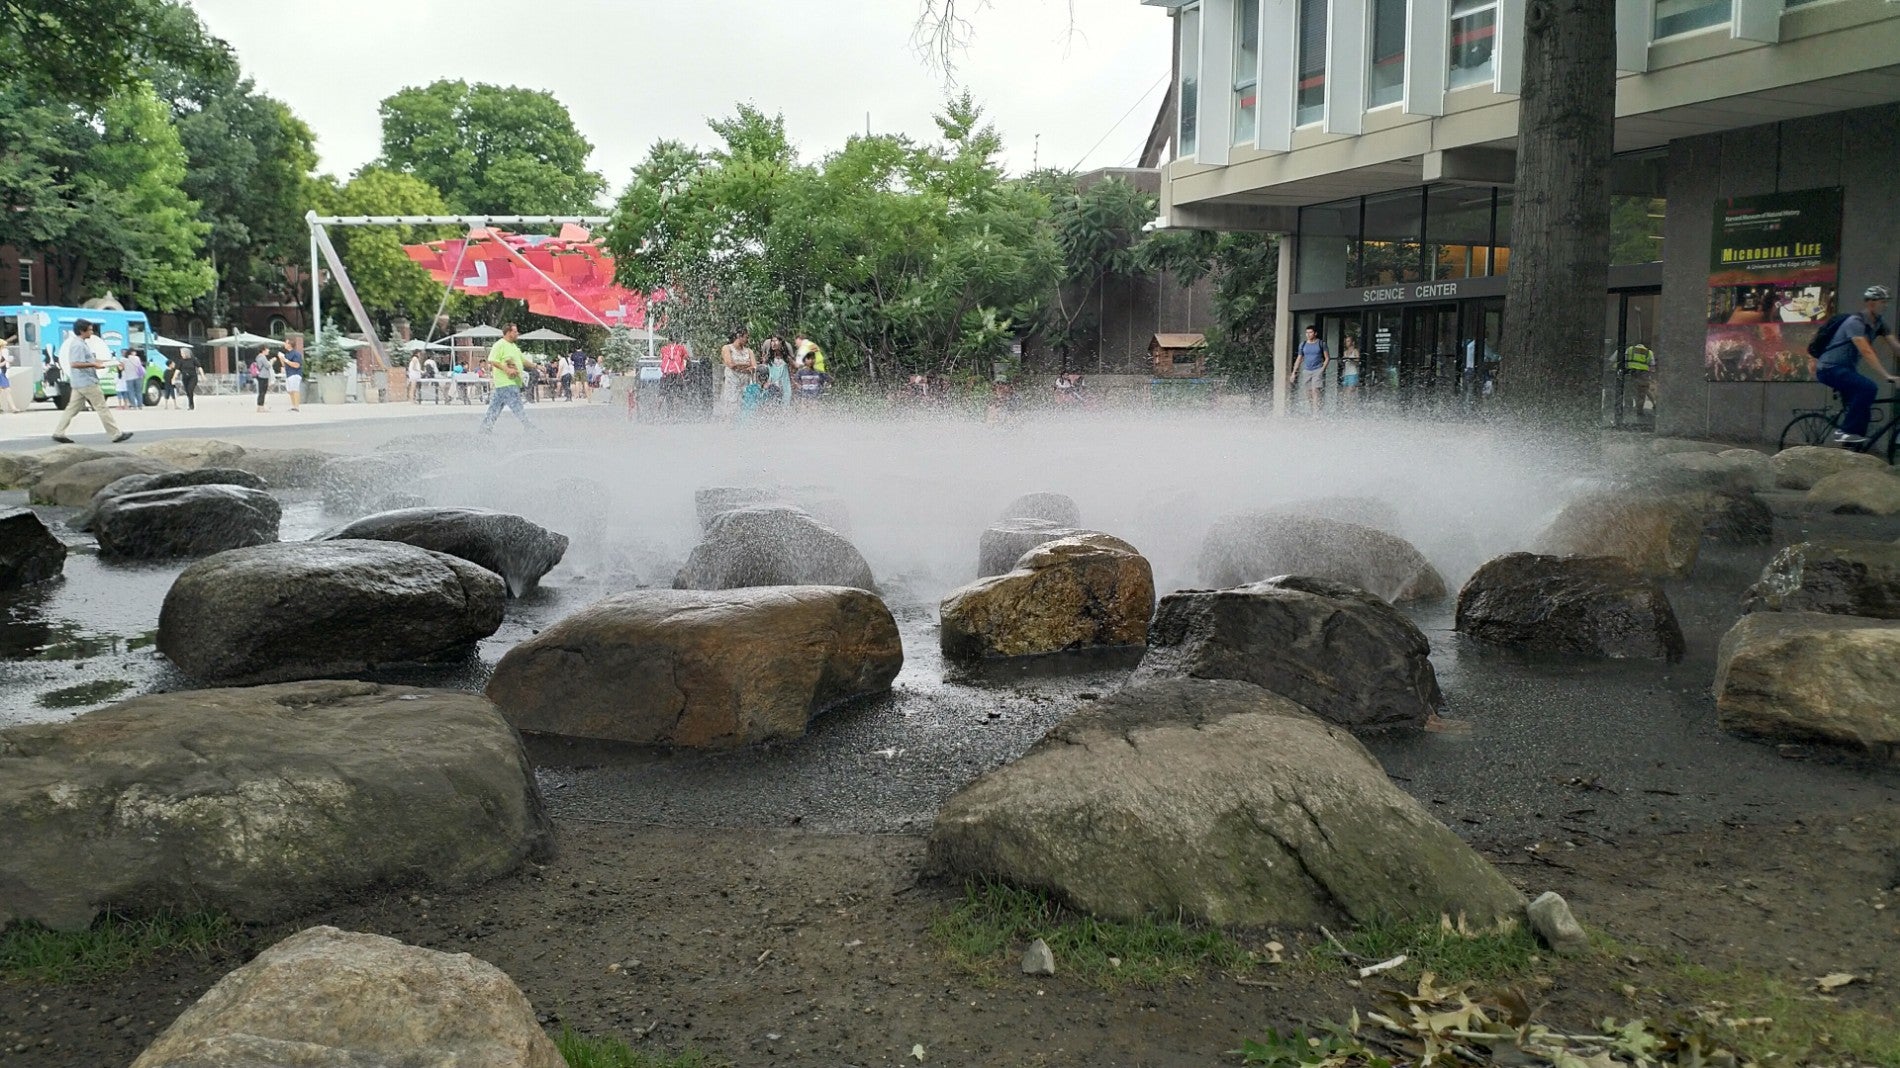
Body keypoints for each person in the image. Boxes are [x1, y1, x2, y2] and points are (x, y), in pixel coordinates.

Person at [1813, 284, 1900, 446]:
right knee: (1868, 388)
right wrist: (1887, 376)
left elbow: (1896, 347)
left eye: (1886, 302)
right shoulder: (1855, 322)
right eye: (1883, 302)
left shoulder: (1879, 323)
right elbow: (1866, 351)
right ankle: (1845, 432)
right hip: (1829, 368)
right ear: (1871, 303)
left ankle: (1851, 447)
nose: (1885, 305)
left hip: (1845, 369)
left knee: (1862, 404)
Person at [50, 320, 130, 443]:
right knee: (102, 407)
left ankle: (58, 432)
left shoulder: (79, 343)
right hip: (88, 382)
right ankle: (115, 434)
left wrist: (104, 362)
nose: (92, 332)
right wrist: (94, 364)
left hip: (78, 382)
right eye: (90, 329)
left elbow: (87, 359)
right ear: (82, 331)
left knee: (72, 408)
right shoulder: (78, 345)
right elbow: (75, 363)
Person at [480, 322, 536, 433]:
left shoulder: (513, 346)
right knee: (517, 407)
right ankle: (529, 427)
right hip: (506, 383)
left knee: (495, 408)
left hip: (506, 385)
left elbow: (522, 360)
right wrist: (506, 369)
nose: (517, 333)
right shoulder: (499, 344)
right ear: (509, 332)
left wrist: (536, 366)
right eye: (515, 331)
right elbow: (492, 360)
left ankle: (485, 429)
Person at [1291, 326, 1328, 412]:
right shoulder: (1303, 344)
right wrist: (1294, 372)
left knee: (1315, 390)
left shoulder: (1321, 343)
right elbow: (1299, 358)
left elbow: (1327, 358)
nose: (1308, 334)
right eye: (1307, 333)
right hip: (1307, 370)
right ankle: (1313, 409)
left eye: (1310, 332)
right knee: (1308, 392)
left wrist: (1322, 369)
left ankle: (1316, 413)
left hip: (1317, 369)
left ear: (1315, 333)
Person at [721, 328, 756, 411]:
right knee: (730, 410)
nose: (747, 340)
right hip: (731, 384)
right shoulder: (727, 348)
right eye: (746, 337)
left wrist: (738, 366)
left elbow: (754, 367)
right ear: (739, 336)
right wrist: (746, 365)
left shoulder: (749, 351)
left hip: (745, 384)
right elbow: (730, 364)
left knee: (744, 409)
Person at [1622, 342, 1656, 417]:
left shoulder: (1630, 349)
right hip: (1643, 375)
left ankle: (1628, 409)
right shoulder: (1649, 352)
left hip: (1631, 373)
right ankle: (1639, 411)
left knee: (1628, 392)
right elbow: (1652, 365)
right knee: (1641, 394)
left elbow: (1624, 359)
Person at [764, 343, 792, 408]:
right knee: (772, 404)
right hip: (771, 385)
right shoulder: (768, 358)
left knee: (785, 404)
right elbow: (764, 371)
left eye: (775, 341)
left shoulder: (787, 357)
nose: (773, 343)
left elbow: (793, 369)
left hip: (785, 384)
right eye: (772, 341)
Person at [282, 335, 305, 411]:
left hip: (295, 374)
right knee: (290, 390)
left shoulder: (296, 354)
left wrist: (286, 361)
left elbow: (297, 365)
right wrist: (281, 358)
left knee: (295, 390)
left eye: (286, 343)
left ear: (290, 344)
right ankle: (293, 405)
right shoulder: (287, 354)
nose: (284, 344)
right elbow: (284, 364)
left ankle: (297, 406)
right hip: (288, 374)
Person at [1339, 335, 1362, 407]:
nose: (1347, 343)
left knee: (1350, 392)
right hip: (1346, 374)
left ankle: (1351, 408)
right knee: (1345, 393)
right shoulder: (1345, 352)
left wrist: (1351, 360)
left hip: (1353, 373)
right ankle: (1347, 408)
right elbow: (1343, 364)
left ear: (1353, 342)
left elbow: (1358, 362)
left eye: (1348, 341)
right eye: (1346, 341)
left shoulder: (1355, 351)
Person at [0, 335, 16, 414]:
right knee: (7, 390)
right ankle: (13, 408)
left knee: (6, 390)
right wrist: (7, 361)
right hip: (1, 374)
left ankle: (13, 408)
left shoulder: (2, 353)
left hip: (2, 374)